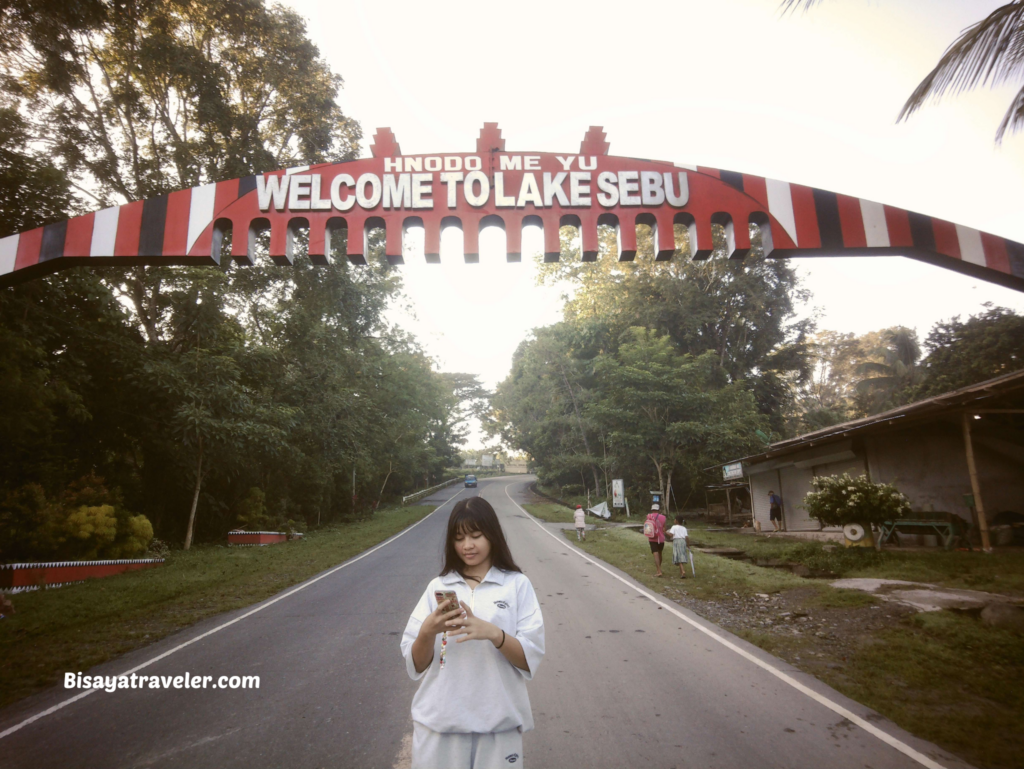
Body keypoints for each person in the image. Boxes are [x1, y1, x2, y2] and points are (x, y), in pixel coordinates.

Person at [401, 497, 545, 769]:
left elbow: (530, 658)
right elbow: (416, 664)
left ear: (492, 535)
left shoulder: (516, 585)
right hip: (439, 724)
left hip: (498, 725)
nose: (467, 545)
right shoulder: (439, 586)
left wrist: (494, 633)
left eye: (476, 536)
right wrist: (427, 632)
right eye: (459, 538)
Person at [644, 503, 667, 577]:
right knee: (660, 553)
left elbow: (647, 527)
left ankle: (659, 571)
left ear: (652, 510)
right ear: (659, 510)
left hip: (652, 538)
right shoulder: (664, 517)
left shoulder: (648, 516)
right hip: (661, 538)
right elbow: (664, 529)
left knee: (655, 554)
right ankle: (659, 569)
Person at [666, 515, 690, 579]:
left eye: (674, 519)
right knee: (681, 555)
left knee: (679, 557)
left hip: (677, 541)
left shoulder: (674, 527)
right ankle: (682, 573)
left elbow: (671, 535)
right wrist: (688, 545)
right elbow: (686, 537)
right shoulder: (684, 528)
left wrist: (665, 532)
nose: (674, 520)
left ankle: (683, 571)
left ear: (676, 521)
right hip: (683, 541)